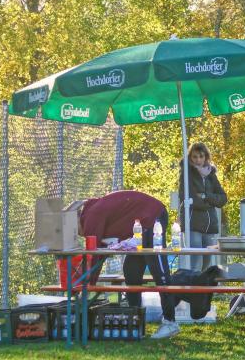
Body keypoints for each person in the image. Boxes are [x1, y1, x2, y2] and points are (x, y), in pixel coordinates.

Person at [75, 190, 179, 339]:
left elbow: (93, 254)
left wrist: (86, 286)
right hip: (141, 226)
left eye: (77, 231)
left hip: (151, 217)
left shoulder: (90, 217)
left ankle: (170, 322)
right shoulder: (92, 213)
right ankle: (136, 319)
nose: (80, 234)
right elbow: (102, 248)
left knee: (158, 270)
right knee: (131, 271)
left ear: (77, 219)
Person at [179, 143, 227, 272]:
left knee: (207, 263)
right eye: (195, 157)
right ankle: (193, 291)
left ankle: (202, 289)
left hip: (210, 225)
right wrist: (211, 201)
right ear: (190, 158)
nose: (198, 160)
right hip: (193, 223)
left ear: (206, 157)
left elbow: (223, 198)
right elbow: (188, 198)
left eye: (201, 156)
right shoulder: (186, 174)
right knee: (195, 262)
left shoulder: (211, 175)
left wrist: (205, 196)